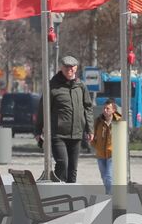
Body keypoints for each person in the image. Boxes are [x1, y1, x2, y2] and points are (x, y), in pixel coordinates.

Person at [33, 55, 93, 183]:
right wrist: (38, 131)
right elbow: (43, 109)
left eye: (72, 67)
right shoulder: (53, 86)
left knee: (73, 169)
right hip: (58, 134)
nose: (69, 70)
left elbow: (88, 107)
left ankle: (71, 196)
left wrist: (90, 129)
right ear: (62, 68)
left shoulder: (80, 86)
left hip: (76, 134)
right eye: (66, 67)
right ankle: (57, 189)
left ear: (76, 68)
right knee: (62, 164)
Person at [92, 99, 124, 192]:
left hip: (113, 154)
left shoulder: (119, 121)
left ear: (113, 110)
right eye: (104, 108)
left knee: (109, 176)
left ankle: (110, 196)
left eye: (108, 108)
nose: (105, 110)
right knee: (104, 178)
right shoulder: (98, 121)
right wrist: (96, 146)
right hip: (101, 154)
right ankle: (109, 193)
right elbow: (92, 136)